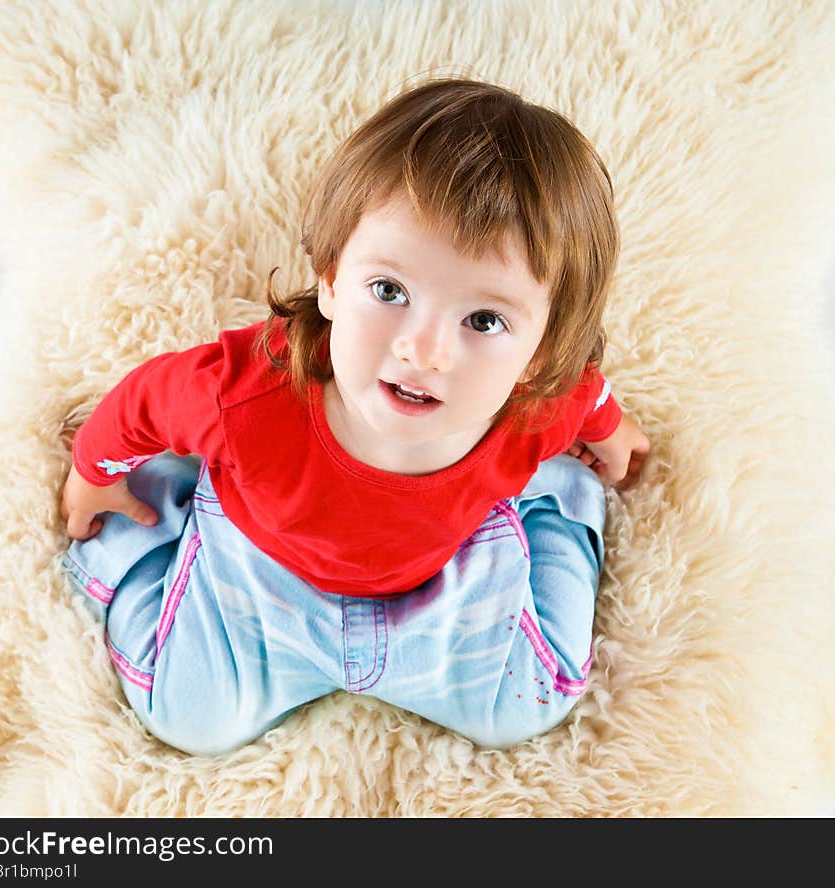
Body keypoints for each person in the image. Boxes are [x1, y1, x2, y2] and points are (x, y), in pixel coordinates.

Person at [58, 78, 651, 755]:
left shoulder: (535, 403)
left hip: (442, 571)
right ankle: (155, 537)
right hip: (260, 563)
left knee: (528, 704)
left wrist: (610, 433)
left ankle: (555, 511)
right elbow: (143, 401)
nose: (422, 349)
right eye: (390, 290)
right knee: (185, 715)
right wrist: (94, 473)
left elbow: (587, 396)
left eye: (483, 319)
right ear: (334, 280)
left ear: (540, 353)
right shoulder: (246, 396)